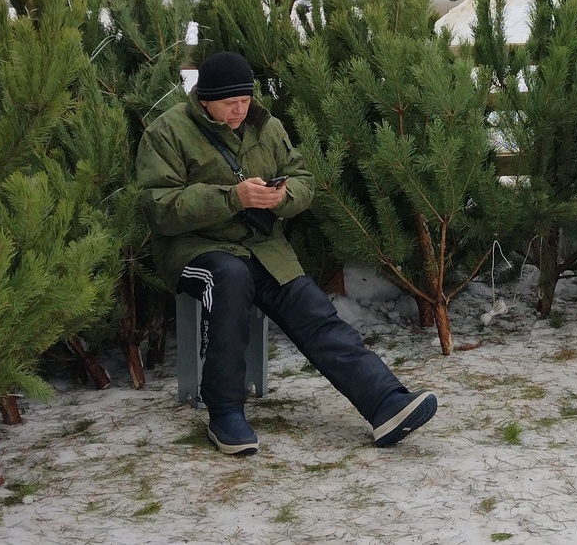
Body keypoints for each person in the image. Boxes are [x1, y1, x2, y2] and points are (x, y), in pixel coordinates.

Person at [136, 51, 437, 456]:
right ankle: (225, 413)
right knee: (229, 279)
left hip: (264, 248)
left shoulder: (267, 125)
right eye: (229, 104)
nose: (239, 110)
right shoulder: (167, 131)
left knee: (313, 310)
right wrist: (232, 197)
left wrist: (282, 197)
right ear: (203, 99)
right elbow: (158, 206)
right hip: (195, 249)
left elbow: (303, 180)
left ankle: (386, 403)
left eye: (244, 100)